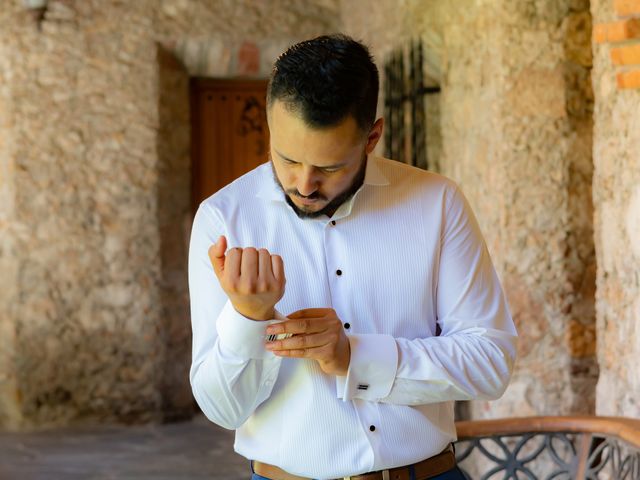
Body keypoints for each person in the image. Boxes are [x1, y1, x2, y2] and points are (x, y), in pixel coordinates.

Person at [188, 34, 517, 480]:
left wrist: (353, 357)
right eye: (286, 158)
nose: (304, 184)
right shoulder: (223, 220)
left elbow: (490, 362)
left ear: (372, 137)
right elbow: (222, 410)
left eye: (328, 167)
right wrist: (248, 318)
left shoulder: (438, 203)